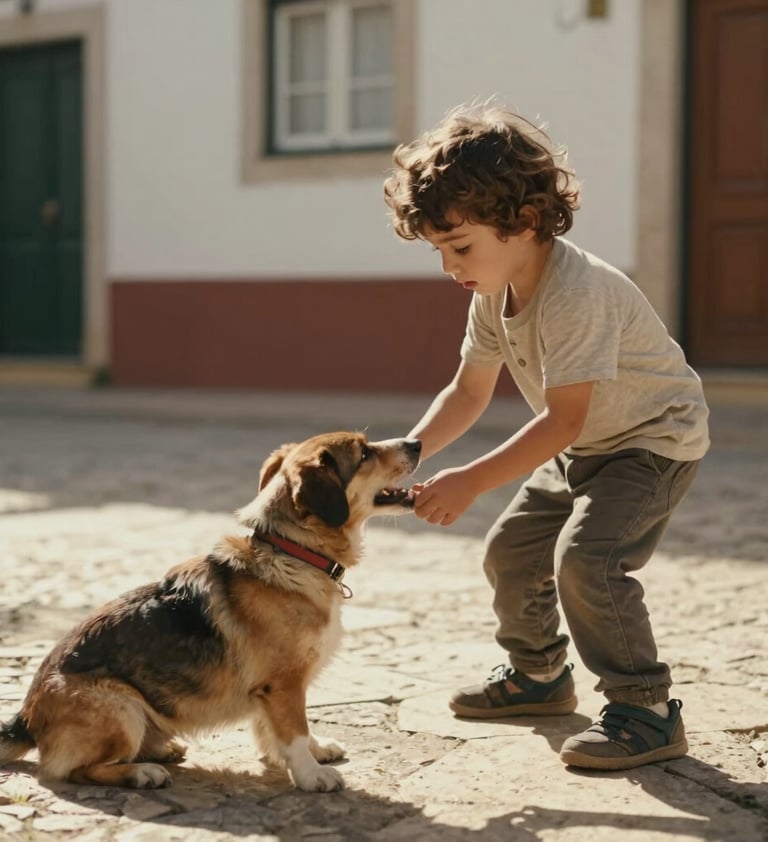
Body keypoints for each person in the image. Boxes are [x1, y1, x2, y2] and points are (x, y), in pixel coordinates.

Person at [383, 101, 710, 771]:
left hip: (649, 443)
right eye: (441, 250)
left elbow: (564, 420)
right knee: (510, 551)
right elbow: (468, 391)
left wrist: (470, 481)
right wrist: (409, 454)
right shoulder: (490, 289)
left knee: (589, 561)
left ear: (525, 221)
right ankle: (539, 677)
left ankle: (646, 709)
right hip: (585, 446)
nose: (449, 266)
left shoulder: (576, 292)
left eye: (460, 246)